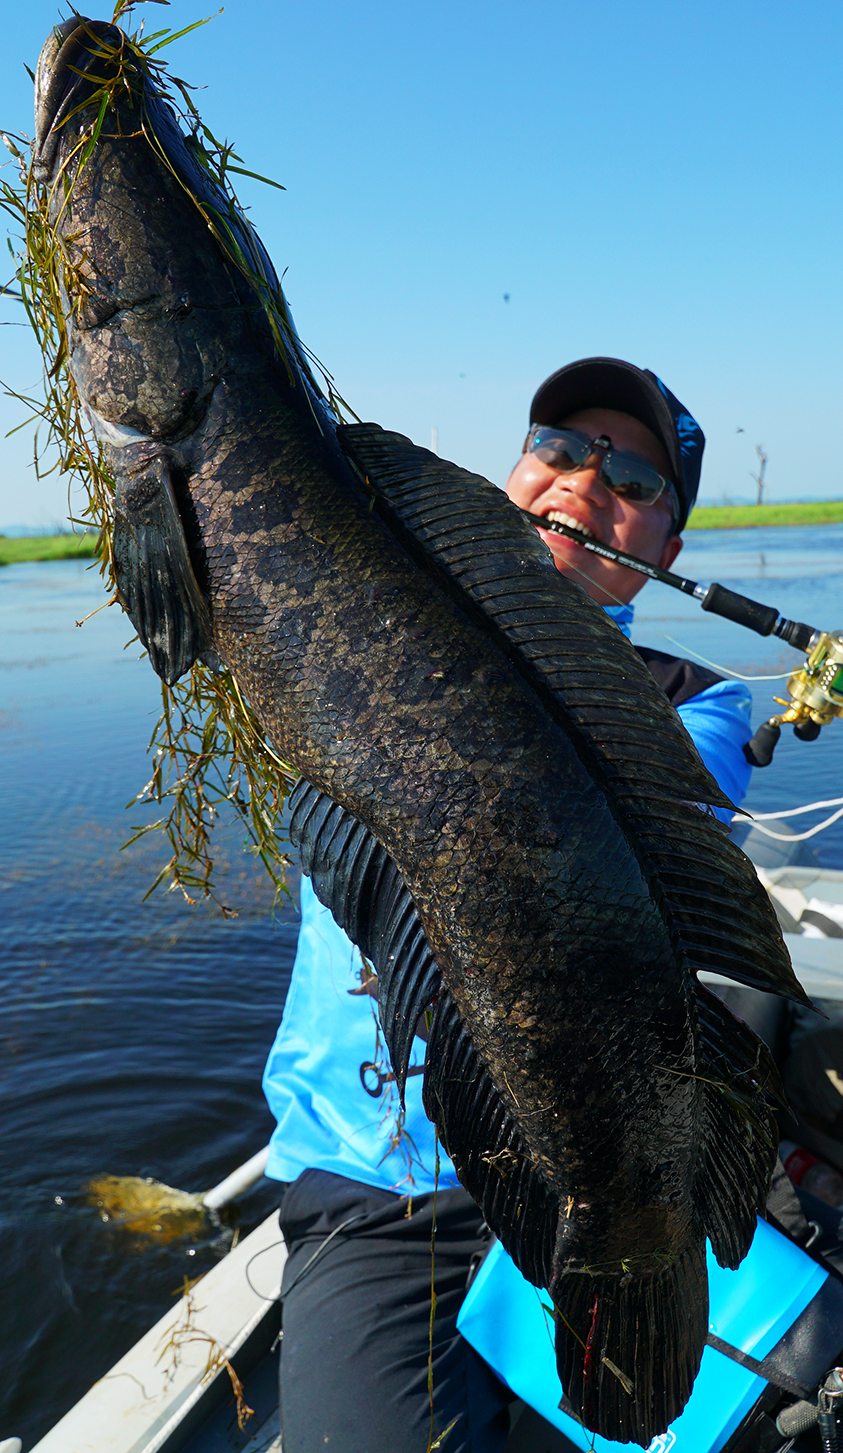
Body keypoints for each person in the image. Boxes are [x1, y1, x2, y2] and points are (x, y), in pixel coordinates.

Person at [262, 358, 754, 1453]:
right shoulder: (354, 617)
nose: (583, 487)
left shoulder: (696, 704)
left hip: (587, 1174)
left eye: (632, 480)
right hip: (374, 1189)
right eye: (560, 450)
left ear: (666, 554)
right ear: (509, 473)